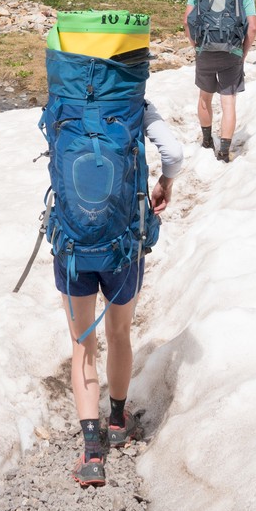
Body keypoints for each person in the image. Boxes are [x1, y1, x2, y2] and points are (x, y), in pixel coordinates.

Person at [58, 101, 183, 486]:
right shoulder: (135, 103)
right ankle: (116, 421)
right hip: (123, 246)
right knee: (118, 334)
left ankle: (92, 453)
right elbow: (174, 153)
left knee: (83, 345)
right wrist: (165, 182)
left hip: (73, 245)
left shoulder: (63, 100)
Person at [186, 0, 256, 162]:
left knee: (204, 98)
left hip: (204, 49)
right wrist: (242, 54)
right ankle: (224, 152)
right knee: (228, 102)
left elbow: (186, 21)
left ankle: (207, 142)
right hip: (232, 50)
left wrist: (196, 47)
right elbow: (252, 27)